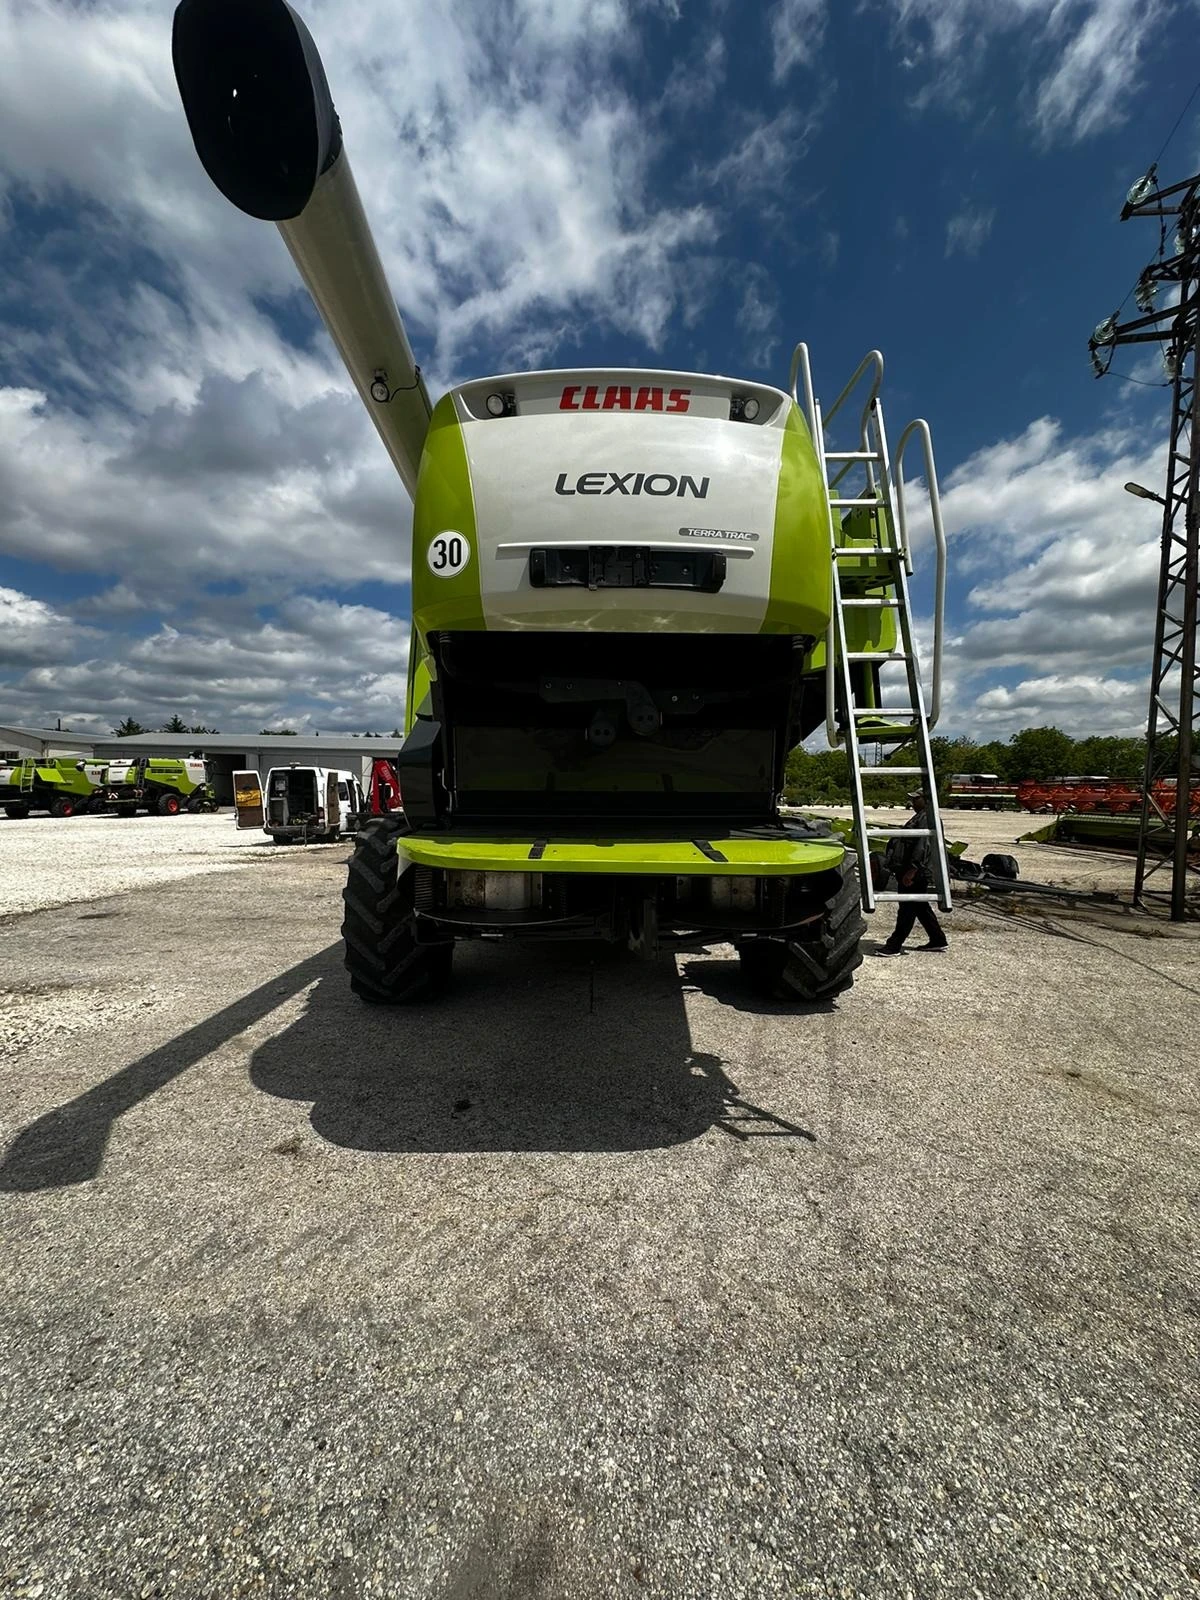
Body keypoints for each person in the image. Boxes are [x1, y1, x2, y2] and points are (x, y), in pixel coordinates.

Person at [875, 786, 948, 956]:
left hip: (915, 872)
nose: (912, 802)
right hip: (913, 870)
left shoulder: (927, 818)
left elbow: (922, 847)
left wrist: (912, 871)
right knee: (920, 906)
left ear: (926, 800)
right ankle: (937, 939)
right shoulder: (922, 816)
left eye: (916, 799)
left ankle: (894, 945)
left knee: (907, 908)